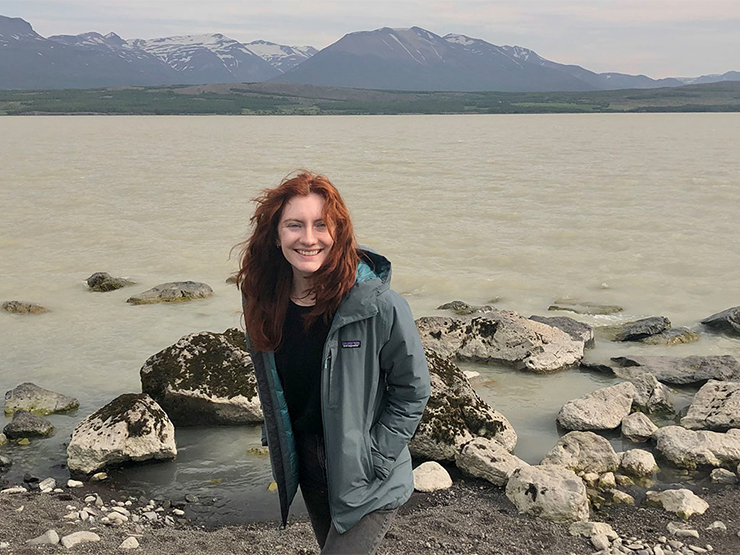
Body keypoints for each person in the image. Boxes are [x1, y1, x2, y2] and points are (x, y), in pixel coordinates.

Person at [236, 171, 430, 554]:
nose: (308, 238)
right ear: (276, 235)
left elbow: (413, 389)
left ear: (338, 232)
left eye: (320, 225)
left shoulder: (378, 306)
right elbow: (273, 382)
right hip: (307, 466)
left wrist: (378, 453)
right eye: (294, 225)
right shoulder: (262, 301)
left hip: (367, 471)